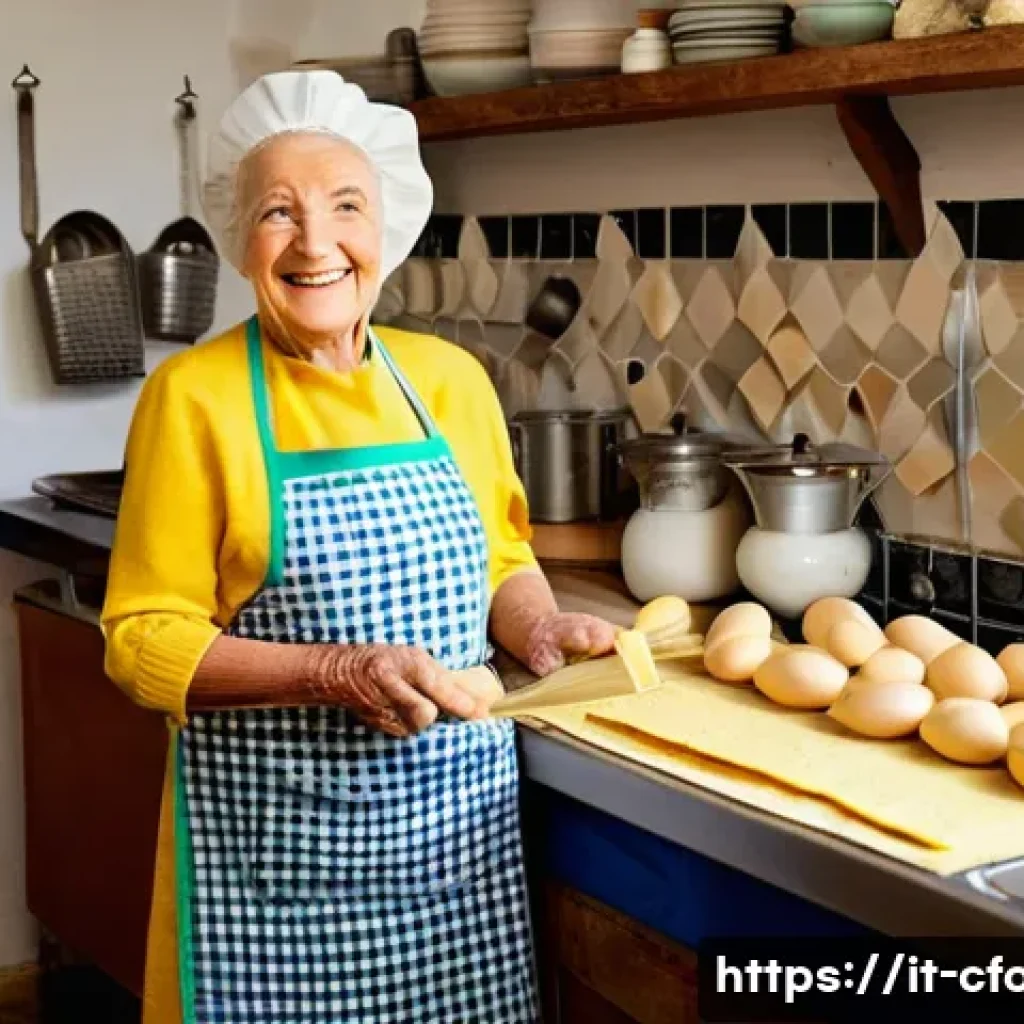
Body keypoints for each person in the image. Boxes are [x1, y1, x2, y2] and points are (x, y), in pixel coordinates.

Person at [100, 70, 618, 1024]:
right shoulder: (194, 398)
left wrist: (539, 628)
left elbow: (502, 559)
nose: (314, 242)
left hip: (455, 861)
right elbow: (141, 640)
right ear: (241, 239)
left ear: (386, 227)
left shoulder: (451, 381)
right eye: (278, 212)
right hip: (276, 876)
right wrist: (336, 671)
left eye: (345, 205)